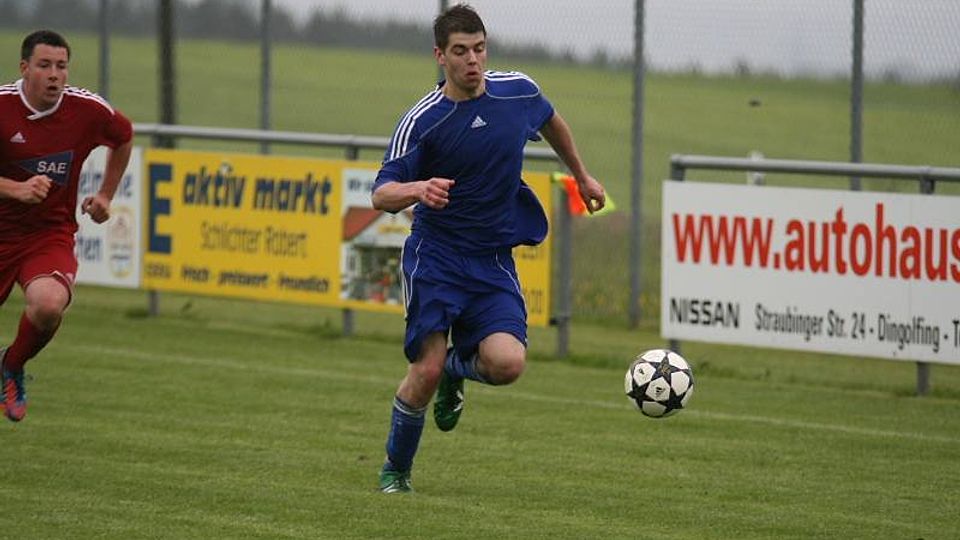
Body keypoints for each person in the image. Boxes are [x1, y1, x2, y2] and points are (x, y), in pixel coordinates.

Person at [371, 4, 605, 493]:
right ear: (440, 56)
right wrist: (417, 189)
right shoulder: (423, 121)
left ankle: (456, 371)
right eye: (460, 51)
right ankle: (396, 471)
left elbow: (551, 120)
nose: (472, 60)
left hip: (492, 260)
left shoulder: (517, 91)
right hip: (436, 257)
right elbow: (381, 193)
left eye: (479, 49)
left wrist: (581, 176)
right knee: (425, 369)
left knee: (507, 364)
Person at [0, 30, 133, 422]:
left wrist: (105, 195)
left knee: (48, 305)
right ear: (25, 68)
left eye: (61, 66)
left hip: (47, 234)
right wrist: (14, 189)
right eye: (44, 65)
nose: (54, 74)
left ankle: (11, 366)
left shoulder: (86, 110)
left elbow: (123, 137)